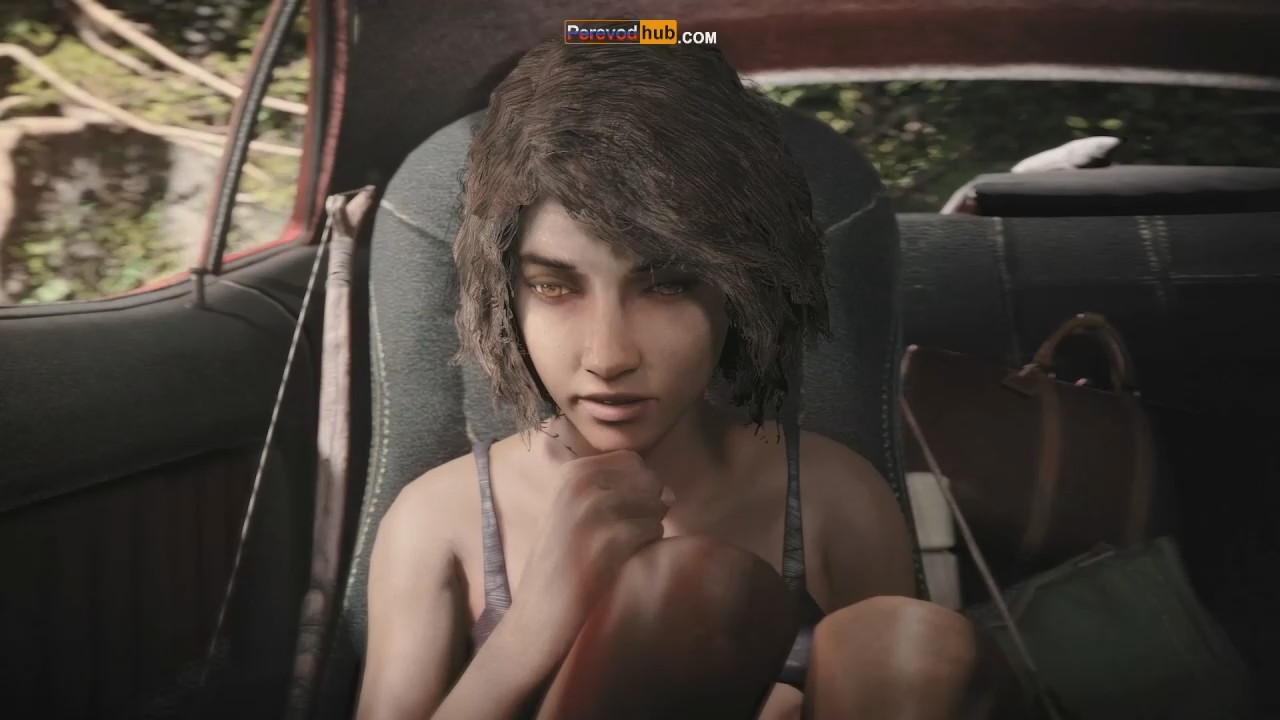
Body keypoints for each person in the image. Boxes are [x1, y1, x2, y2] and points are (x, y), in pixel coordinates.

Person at [357, 37, 994, 720]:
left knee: (911, 646)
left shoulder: (835, 499)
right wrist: (535, 622)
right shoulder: (437, 520)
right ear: (505, 294)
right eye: (554, 287)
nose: (608, 355)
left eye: (667, 286)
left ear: (738, 288)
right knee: (689, 593)